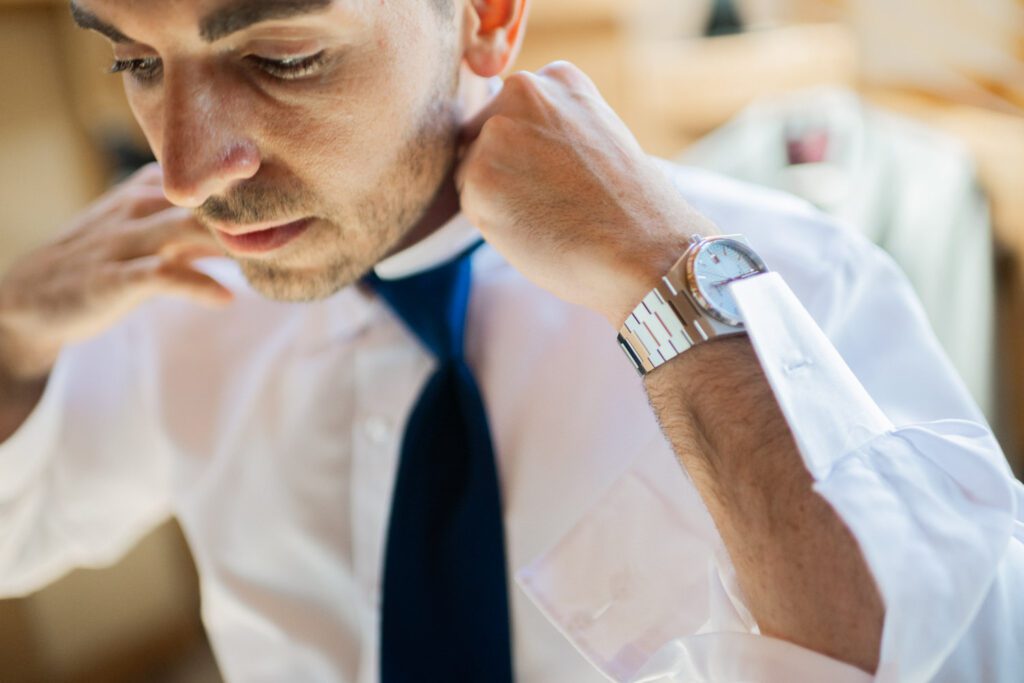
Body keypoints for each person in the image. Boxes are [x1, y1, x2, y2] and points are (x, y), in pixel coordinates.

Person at [0, 0, 1019, 681]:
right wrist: (10, 338)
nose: (183, 169)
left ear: (486, 17)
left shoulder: (799, 279)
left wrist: (668, 291)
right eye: (134, 58)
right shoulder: (170, 290)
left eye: (281, 58)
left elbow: (962, 655)